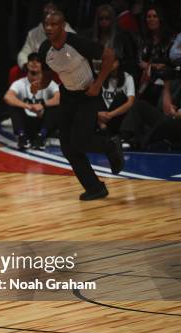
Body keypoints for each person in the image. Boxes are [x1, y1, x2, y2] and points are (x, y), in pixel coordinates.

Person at [35, 10, 124, 201]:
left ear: (63, 25)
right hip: (67, 95)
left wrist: (98, 84)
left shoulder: (77, 43)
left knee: (80, 141)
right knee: (67, 147)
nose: (49, 28)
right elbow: (48, 75)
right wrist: (39, 85)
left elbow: (109, 55)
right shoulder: (44, 49)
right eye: (46, 24)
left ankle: (110, 145)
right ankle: (94, 188)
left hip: (88, 96)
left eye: (54, 24)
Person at [120, 51, 181, 150]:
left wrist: (175, 114)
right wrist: (166, 84)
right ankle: (125, 138)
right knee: (140, 105)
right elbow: (167, 111)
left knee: (167, 122)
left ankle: (138, 143)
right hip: (174, 123)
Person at [4, 53, 60, 150]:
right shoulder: (19, 83)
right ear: (27, 64)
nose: (34, 62)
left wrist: (42, 105)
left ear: (42, 65)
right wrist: (28, 106)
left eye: (38, 61)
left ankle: (41, 137)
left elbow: (59, 98)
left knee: (56, 107)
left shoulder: (49, 83)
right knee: (12, 104)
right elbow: (7, 97)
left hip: (42, 123)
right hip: (26, 123)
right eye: (31, 60)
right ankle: (22, 137)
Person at [138, 5, 175, 106]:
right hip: (146, 78)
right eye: (149, 17)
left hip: (165, 78)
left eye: (155, 16)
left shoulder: (171, 38)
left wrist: (149, 65)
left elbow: (169, 62)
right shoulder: (144, 39)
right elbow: (140, 61)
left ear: (161, 19)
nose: (151, 19)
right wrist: (153, 66)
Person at [98, 58, 135, 136]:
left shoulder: (128, 77)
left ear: (118, 62)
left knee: (121, 96)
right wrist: (98, 115)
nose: (110, 63)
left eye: (113, 61)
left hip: (116, 116)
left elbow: (130, 103)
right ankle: (101, 126)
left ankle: (105, 128)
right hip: (101, 116)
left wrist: (110, 115)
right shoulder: (101, 75)